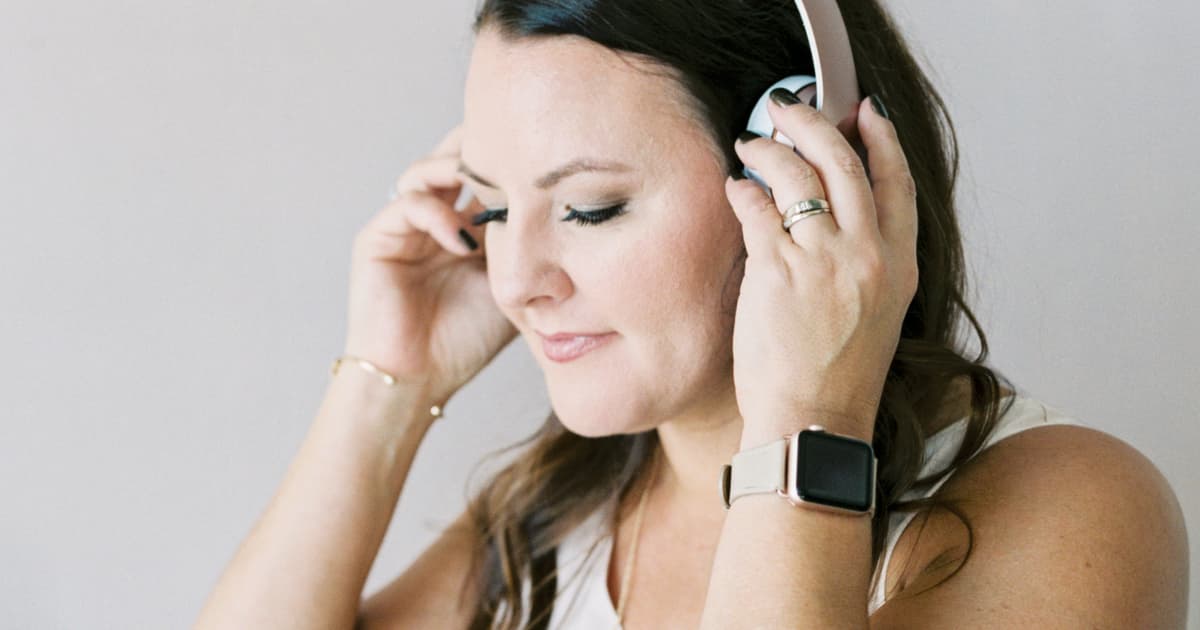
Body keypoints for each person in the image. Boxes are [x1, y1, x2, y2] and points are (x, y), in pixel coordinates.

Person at [194, 1, 1189, 628]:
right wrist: (392, 381)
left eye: (590, 208)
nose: (517, 280)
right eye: (495, 207)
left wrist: (808, 424)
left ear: (802, 169)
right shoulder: (558, 522)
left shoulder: (1069, 509)